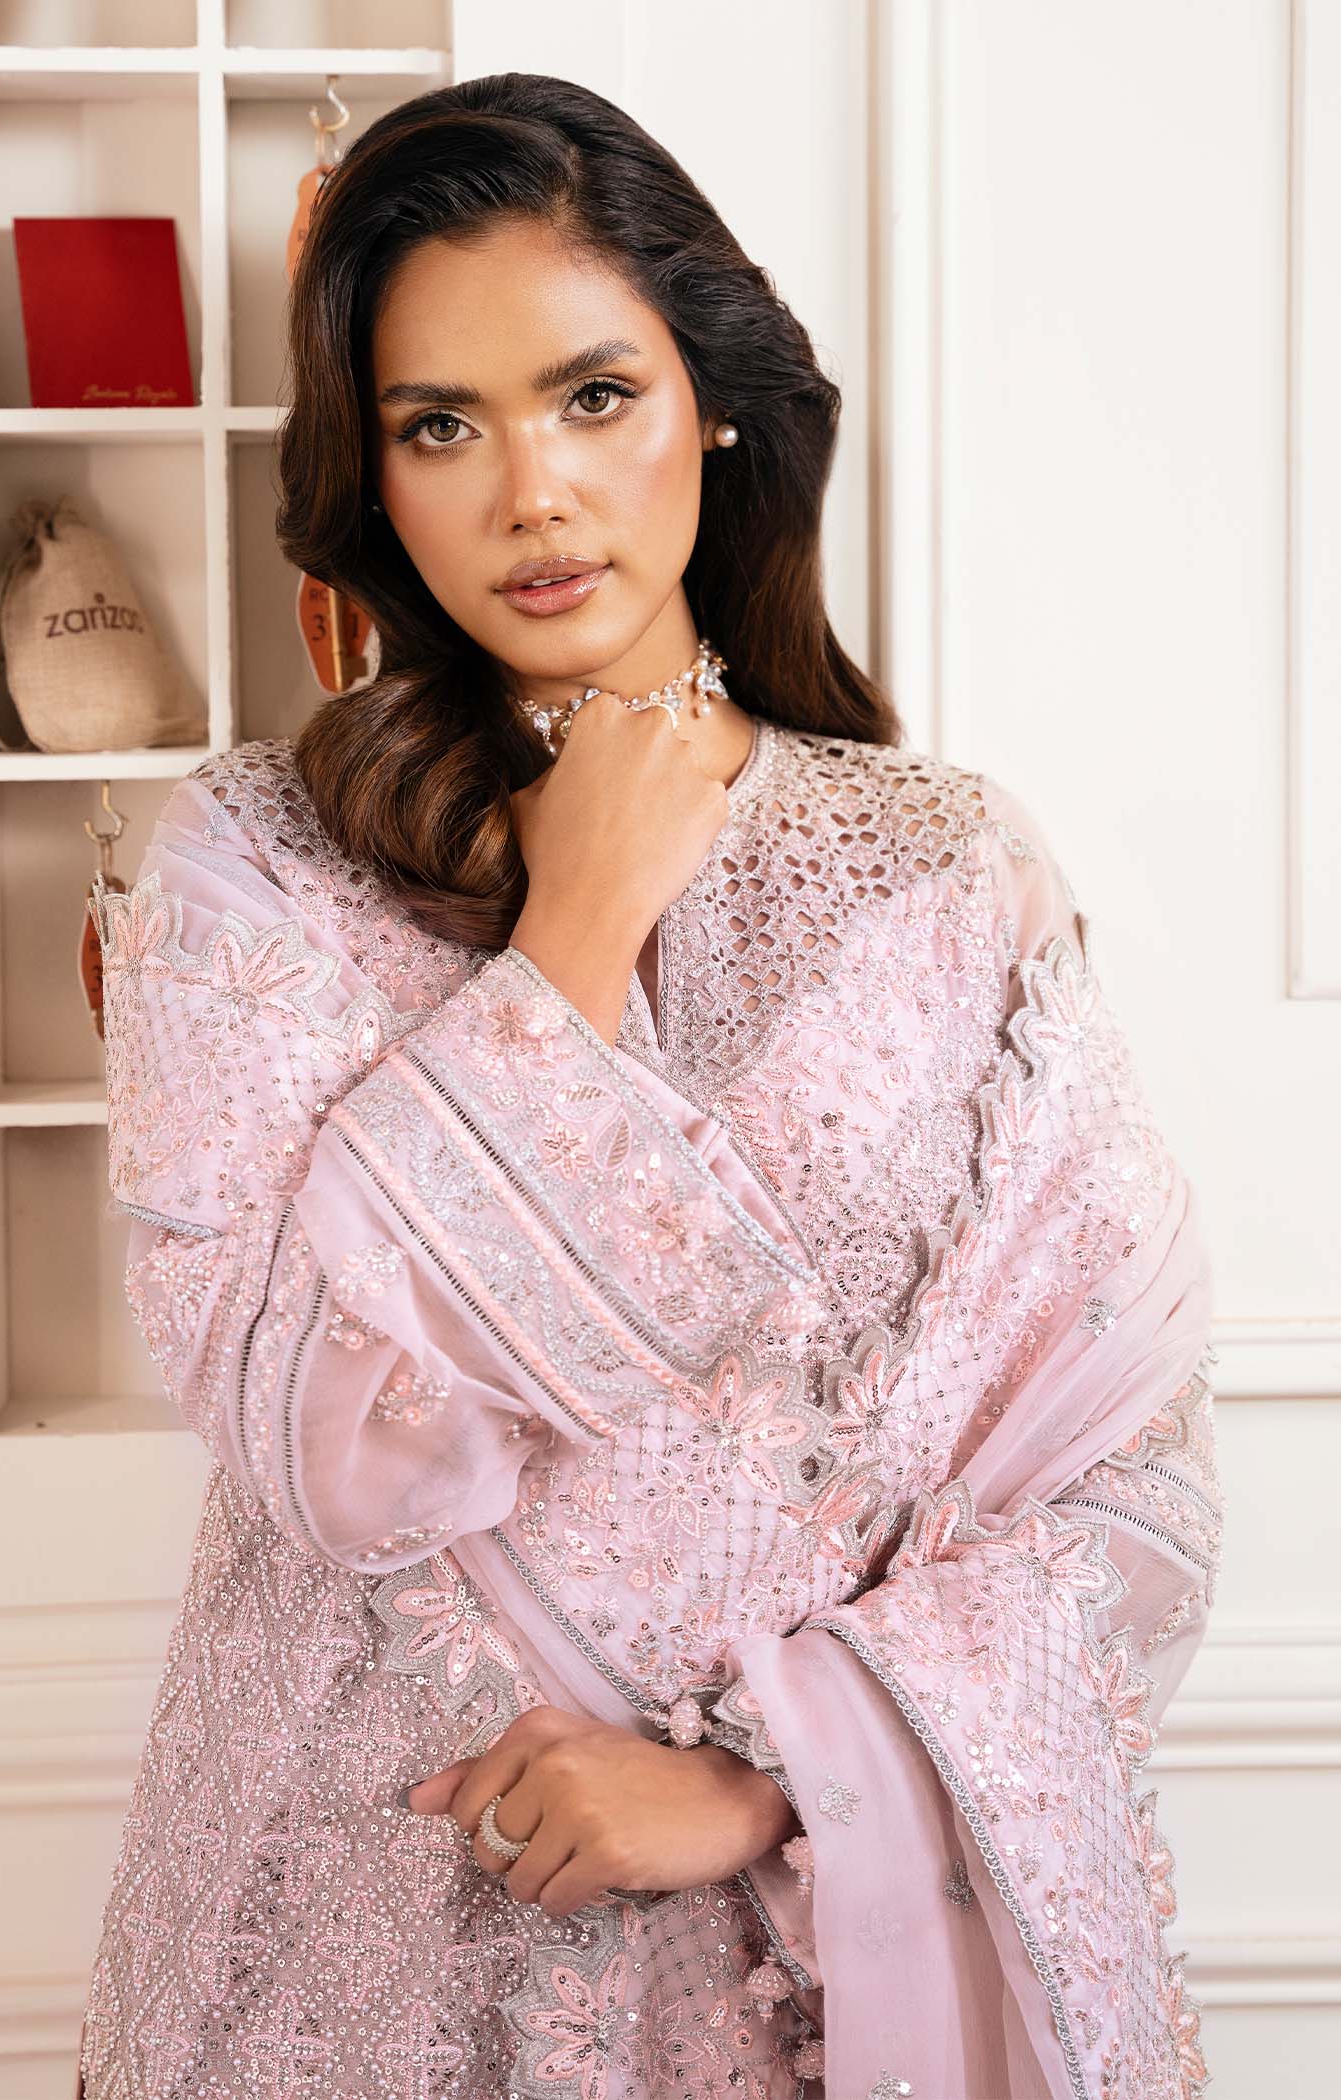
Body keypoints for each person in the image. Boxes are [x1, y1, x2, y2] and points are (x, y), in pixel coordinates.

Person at [74, 71, 1220, 2100]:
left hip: (806, 1978)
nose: (533, 494)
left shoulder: (940, 877)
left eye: (593, 396)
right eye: (442, 425)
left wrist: (762, 1776)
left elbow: (1131, 1493)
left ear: (717, 404)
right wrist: (573, 934)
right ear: (373, 478)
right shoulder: (256, 866)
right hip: (361, 1943)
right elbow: (327, 1456)